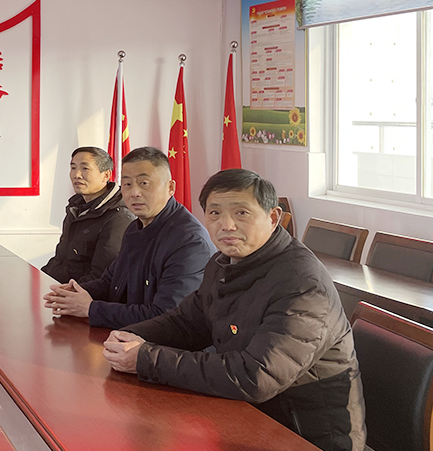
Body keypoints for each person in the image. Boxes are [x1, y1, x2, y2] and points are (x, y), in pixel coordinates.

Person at [102, 169, 366, 451]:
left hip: (306, 435)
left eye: (241, 213)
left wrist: (146, 359)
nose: (226, 225)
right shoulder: (223, 263)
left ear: (273, 217)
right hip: (248, 416)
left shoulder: (302, 284)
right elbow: (188, 322)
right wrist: (130, 336)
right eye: (215, 213)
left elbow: (257, 377)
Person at [43, 146, 213, 329]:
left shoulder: (189, 242)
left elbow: (166, 316)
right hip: (128, 334)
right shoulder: (135, 227)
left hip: (164, 343)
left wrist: (90, 309)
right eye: (127, 184)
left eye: (144, 183)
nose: (134, 193)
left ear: (170, 187)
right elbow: (111, 281)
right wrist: (73, 292)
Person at [41, 146, 135, 284]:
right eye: (73, 168)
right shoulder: (75, 208)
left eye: (85, 168)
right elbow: (60, 259)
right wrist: (39, 278)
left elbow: (102, 276)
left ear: (106, 175)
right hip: (59, 287)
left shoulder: (119, 217)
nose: (77, 175)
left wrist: (63, 292)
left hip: (81, 293)